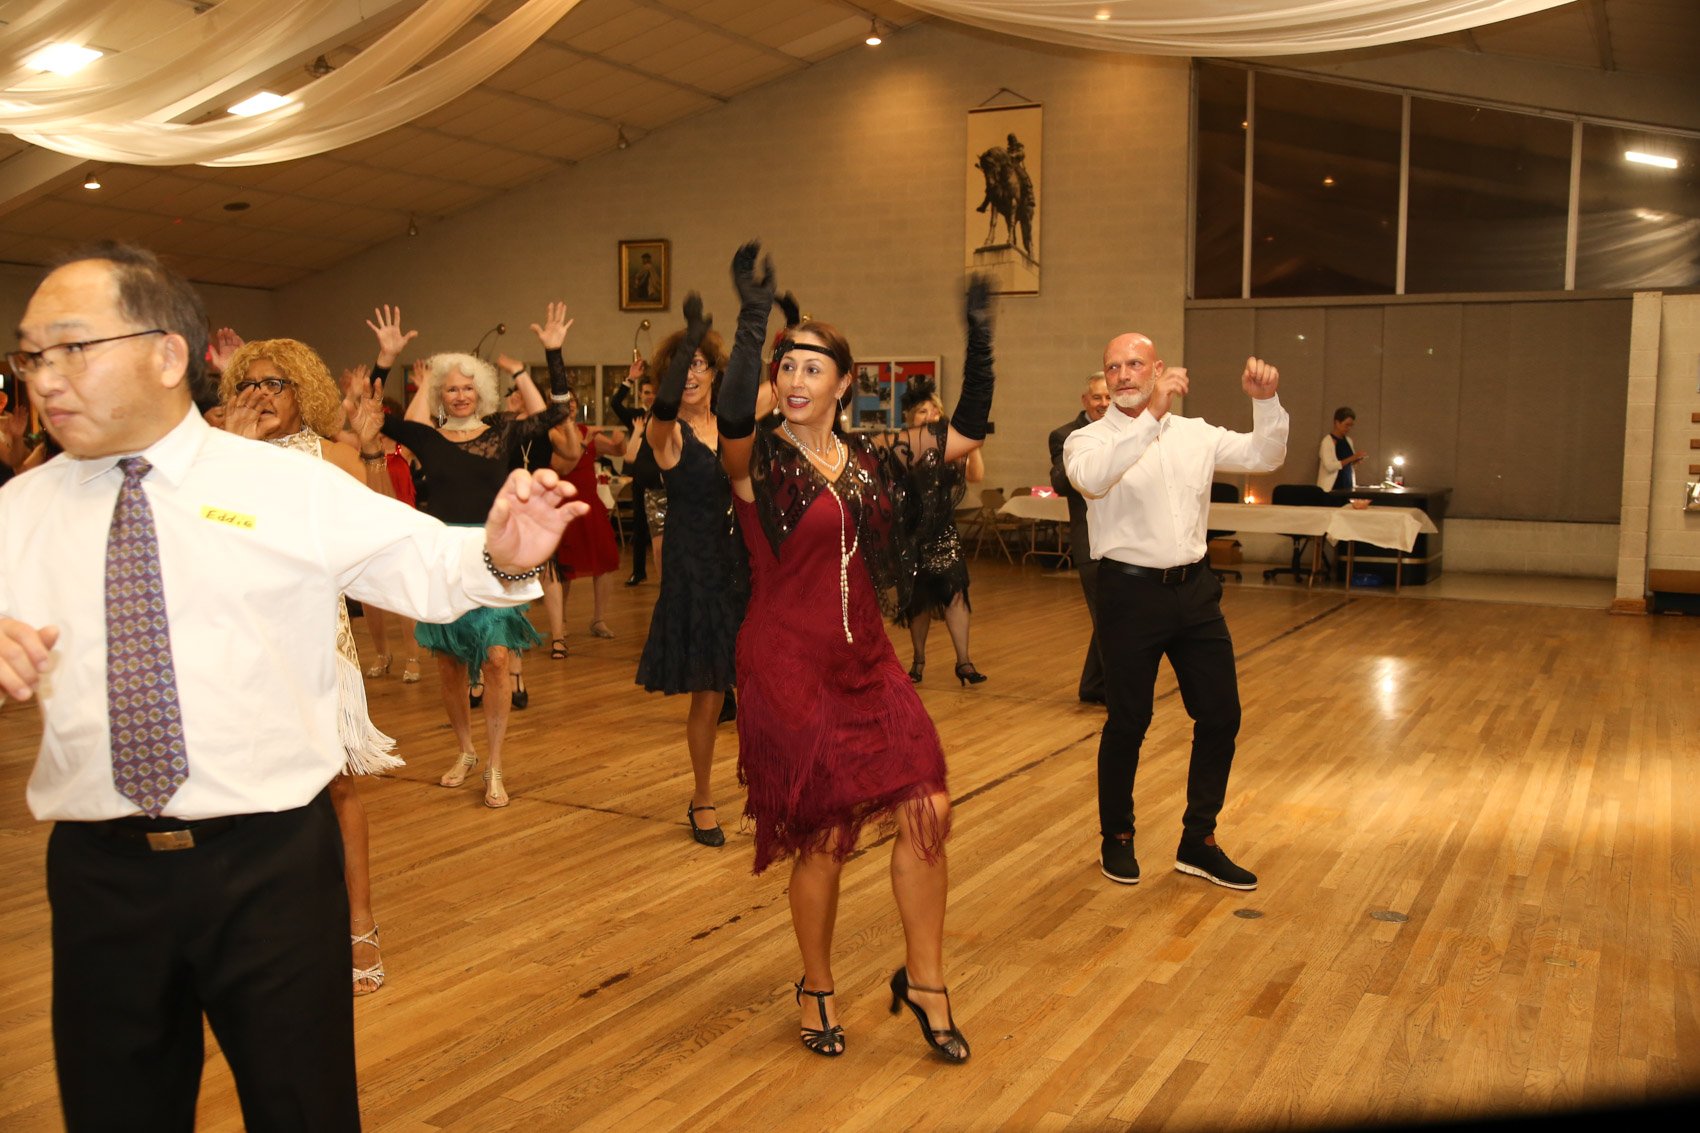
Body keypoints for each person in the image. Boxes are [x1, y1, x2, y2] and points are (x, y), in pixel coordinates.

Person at [0, 242, 583, 1132]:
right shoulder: (18, 510)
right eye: (31, 354)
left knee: (303, 1109)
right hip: (98, 879)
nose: (44, 377)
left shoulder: (284, 485)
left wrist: (503, 551)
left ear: (167, 353)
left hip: (268, 869)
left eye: (71, 348)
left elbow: (427, 561)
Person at [717, 241, 993, 1063]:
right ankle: (816, 983)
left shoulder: (871, 458)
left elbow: (965, 432)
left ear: (843, 384)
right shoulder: (759, 462)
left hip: (866, 664)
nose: (796, 378)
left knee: (929, 807)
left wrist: (980, 339)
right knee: (822, 837)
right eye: (786, 367)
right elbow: (730, 418)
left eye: (813, 367)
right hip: (786, 667)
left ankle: (927, 980)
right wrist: (753, 318)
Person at [1063, 333, 1286, 892]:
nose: (1123, 375)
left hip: (1195, 592)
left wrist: (1266, 402)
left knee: (1221, 716)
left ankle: (1198, 842)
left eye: (1134, 364)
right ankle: (1117, 836)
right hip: (1128, 594)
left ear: (1158, 368)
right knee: (1128, 722)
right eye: (1113, 367)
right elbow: (1092, 479)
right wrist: (1151, 417)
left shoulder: (1195, 433)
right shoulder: (1087, 440)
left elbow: (1265, 456)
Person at [217, 337, 402, 996]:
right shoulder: (212, 455)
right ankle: (261, 930)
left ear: (305, 393)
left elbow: (382, 533)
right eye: (249, 383)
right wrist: (232, 458)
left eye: (276, 383)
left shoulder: (333, 456)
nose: (260, 395)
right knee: (244, 796)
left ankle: (359, 924)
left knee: (336, 788)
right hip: (235, 651)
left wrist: (371, 453)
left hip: (315, 646)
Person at [378, 305, 574, 808]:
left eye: (468, 387)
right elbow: (372, 413)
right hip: (444, 557)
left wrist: (551, 354)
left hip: (494, 556)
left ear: (481, 391)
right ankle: (465, 751)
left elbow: (557, 412)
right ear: (439, 394)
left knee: (497, 657)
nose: (460, 395)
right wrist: (386, 360)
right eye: (451, 388)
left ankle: (495, 763)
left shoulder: (504, 431)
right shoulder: (426, 437)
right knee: (448, 663)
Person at [635, 318, 757, 846]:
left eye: (698, 364)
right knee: (708, 694)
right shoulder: (664, 432)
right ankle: (702, 797)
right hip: (695, 571)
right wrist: (684, 350)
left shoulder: (730, 423)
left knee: (757, 685)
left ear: (713, 372)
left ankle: (762, 785)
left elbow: (774, 390)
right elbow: (662, 417)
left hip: (741, 563)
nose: (689, 374)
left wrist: (762, 322)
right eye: (680, 367)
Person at [896, 375, 986, 686]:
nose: (930, 415)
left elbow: (976, 476)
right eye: (923, 410)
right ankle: (918, 661)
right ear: (911, 416)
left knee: (956, 594)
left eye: (934, 410)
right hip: (912, 535)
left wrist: (973, 446)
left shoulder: (950, 445)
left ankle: (964, 662)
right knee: (919, 601)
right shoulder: (901, 444)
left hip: (944, 533)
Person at [1048, 371, 1112, 704]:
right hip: (1090, 543)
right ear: (1085, 400)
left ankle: (1093, 686)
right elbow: (1060, 483)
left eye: (1109, 397)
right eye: (1097, 397)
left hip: (1124, 542)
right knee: (1110, 619)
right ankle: (1116, 692)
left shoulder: (1125, 431)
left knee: (1111, 618)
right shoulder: (1065, 435)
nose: (1103, 403)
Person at [547, 392, 625, 648]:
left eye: (572, 401)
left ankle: (598, 619)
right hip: (565, 504)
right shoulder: (552, 434)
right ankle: (561, 620)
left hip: (590, 503)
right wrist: (584, 442)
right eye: (564, 402)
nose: (570, 405)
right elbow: (562, 467)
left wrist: (620, 442)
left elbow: (616, 450)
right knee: (565, 565)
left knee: (605, 558)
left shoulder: (584, 430)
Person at [610, 362, 658, 584]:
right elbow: (615, 403)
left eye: (653, 392)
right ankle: (639, 571)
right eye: (646, 392)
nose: (650, 396)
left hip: (662, 477)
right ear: (641, 394)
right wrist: (630, 379)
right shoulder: (637, 416)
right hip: (640, 476)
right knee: (639, 524)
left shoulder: (666, 415)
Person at [1316, 405, 1365, 491]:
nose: (1348, 428)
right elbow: (1329, 466)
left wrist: (1355, 460)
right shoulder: (1327, 441)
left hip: (1347, 485)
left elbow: (1348, 463)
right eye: (1346, 425)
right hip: (1332, 488)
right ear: (1337, 423)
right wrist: (1352, 458)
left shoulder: (1348, 440)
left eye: (1351, 425)